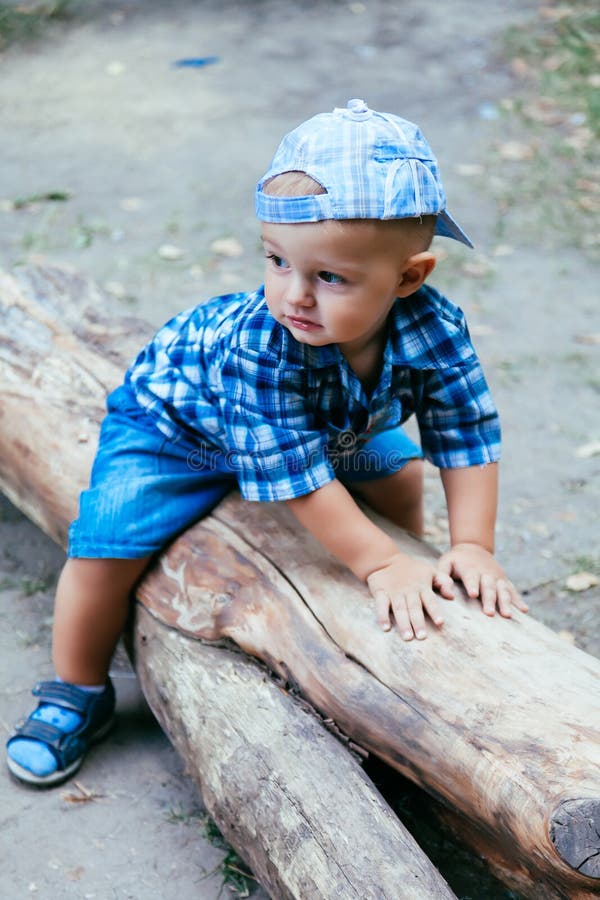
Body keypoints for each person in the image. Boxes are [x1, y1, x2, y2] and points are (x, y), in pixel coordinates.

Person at [6, 98, 528, 787]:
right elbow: (302, 477)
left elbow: (464, 433)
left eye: (328, 277)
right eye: (277, 261)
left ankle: (408, 583)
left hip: (324, 433)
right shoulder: (262, 342)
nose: (294, 296)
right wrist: (373, 563)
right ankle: (78, 690)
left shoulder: (434, 326)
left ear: (409, 278)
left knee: (399, 473)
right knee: (104, 546)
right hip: (178, 432)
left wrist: (472, 546)